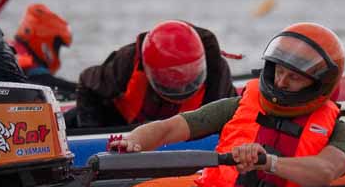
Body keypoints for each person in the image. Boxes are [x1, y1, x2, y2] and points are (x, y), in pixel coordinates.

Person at [109, 22, 345, 187]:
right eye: (279, 71)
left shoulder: (339, 132)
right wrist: (134, 141)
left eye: (294, 77)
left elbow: (325, 171)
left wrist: (267, 162)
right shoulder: (236, 107)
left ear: (319, 84)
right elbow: (168, 129)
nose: (280, 82)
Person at [73, 20, 234, 127]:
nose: (181, 85)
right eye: (170, 75)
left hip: (185, 135)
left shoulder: (217, 75)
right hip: (123, 128)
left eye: (189, 72)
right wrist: (91, 131)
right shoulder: (127, 61)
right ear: (149, 69)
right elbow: (86, 84)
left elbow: (234, 117)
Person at [9, 3, 78, 97]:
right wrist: (81, 90)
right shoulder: (20, 57)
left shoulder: (11, 48)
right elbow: (44, 81)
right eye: (57, 45)